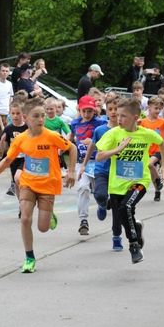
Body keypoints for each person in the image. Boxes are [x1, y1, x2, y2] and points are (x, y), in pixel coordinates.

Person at [0, 97, 77, 273]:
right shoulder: (21, 139)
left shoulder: (51, 136)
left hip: (48, 185)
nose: (41, 120)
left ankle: (49, 216)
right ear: (26, 118)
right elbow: (8, 159)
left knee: (43, 228)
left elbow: (72, 148)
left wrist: (71, 171)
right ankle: (29, 257)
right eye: (36, 116)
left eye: (42, 116)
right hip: (28, 183)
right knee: (25, 218)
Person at [96, 98, 164, 264]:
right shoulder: (113, 133)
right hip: (117, 184)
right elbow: (99, 156)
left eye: (123, 116)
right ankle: (136, 228)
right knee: (124, 214)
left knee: (126, 207)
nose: (119, 119)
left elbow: (162, 144)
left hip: (139, 180)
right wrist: (118, 149)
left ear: (136, 117)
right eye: (118, 115)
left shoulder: (145, 133)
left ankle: (134, 246)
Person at [81, 96, 122, 249]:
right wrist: (84, 165)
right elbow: (92, 147)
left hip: (119, 173)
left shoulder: (126, 130)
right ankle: (103, 205)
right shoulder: (100, 130)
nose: (114, 112)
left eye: (117, 109)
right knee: (100, 195)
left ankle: (116, 237)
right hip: (102, 169)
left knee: (118, 208)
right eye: (110, 109)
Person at [70, 95, 105, 235]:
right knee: (83, 187)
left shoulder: (100, 123)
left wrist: (93, 142)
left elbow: (106, 141)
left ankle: (102, 204)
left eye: (90, 111)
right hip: (82, 163)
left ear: (94, 110)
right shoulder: (74, 123)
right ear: (79, 109)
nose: (87, 114)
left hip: (97, 162)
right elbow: (71, 138)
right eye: (84, 111)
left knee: (99, 192)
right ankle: (83, 220)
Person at [139, 96, 164, 202]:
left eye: (160, 109)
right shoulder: (143, 122)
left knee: (150, 164)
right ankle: (157, 191)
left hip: (158, 150)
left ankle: (158, 181)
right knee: (151, 172)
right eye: (156, 108)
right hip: (146, 150)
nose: (158, 111)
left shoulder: (163, 122)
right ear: (149, 107)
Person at [0, 101, 28, 203]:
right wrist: (2, 143)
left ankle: (25, 200)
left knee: (17, 178)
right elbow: (4, 144)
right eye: (13, 113)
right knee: (16, 182)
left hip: (26, 158)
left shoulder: (27, 127)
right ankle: (21, 203)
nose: (15, 116)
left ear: (23, 114)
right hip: (14, 158)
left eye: (18, 113)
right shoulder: (9, 128)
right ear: (10, 114)